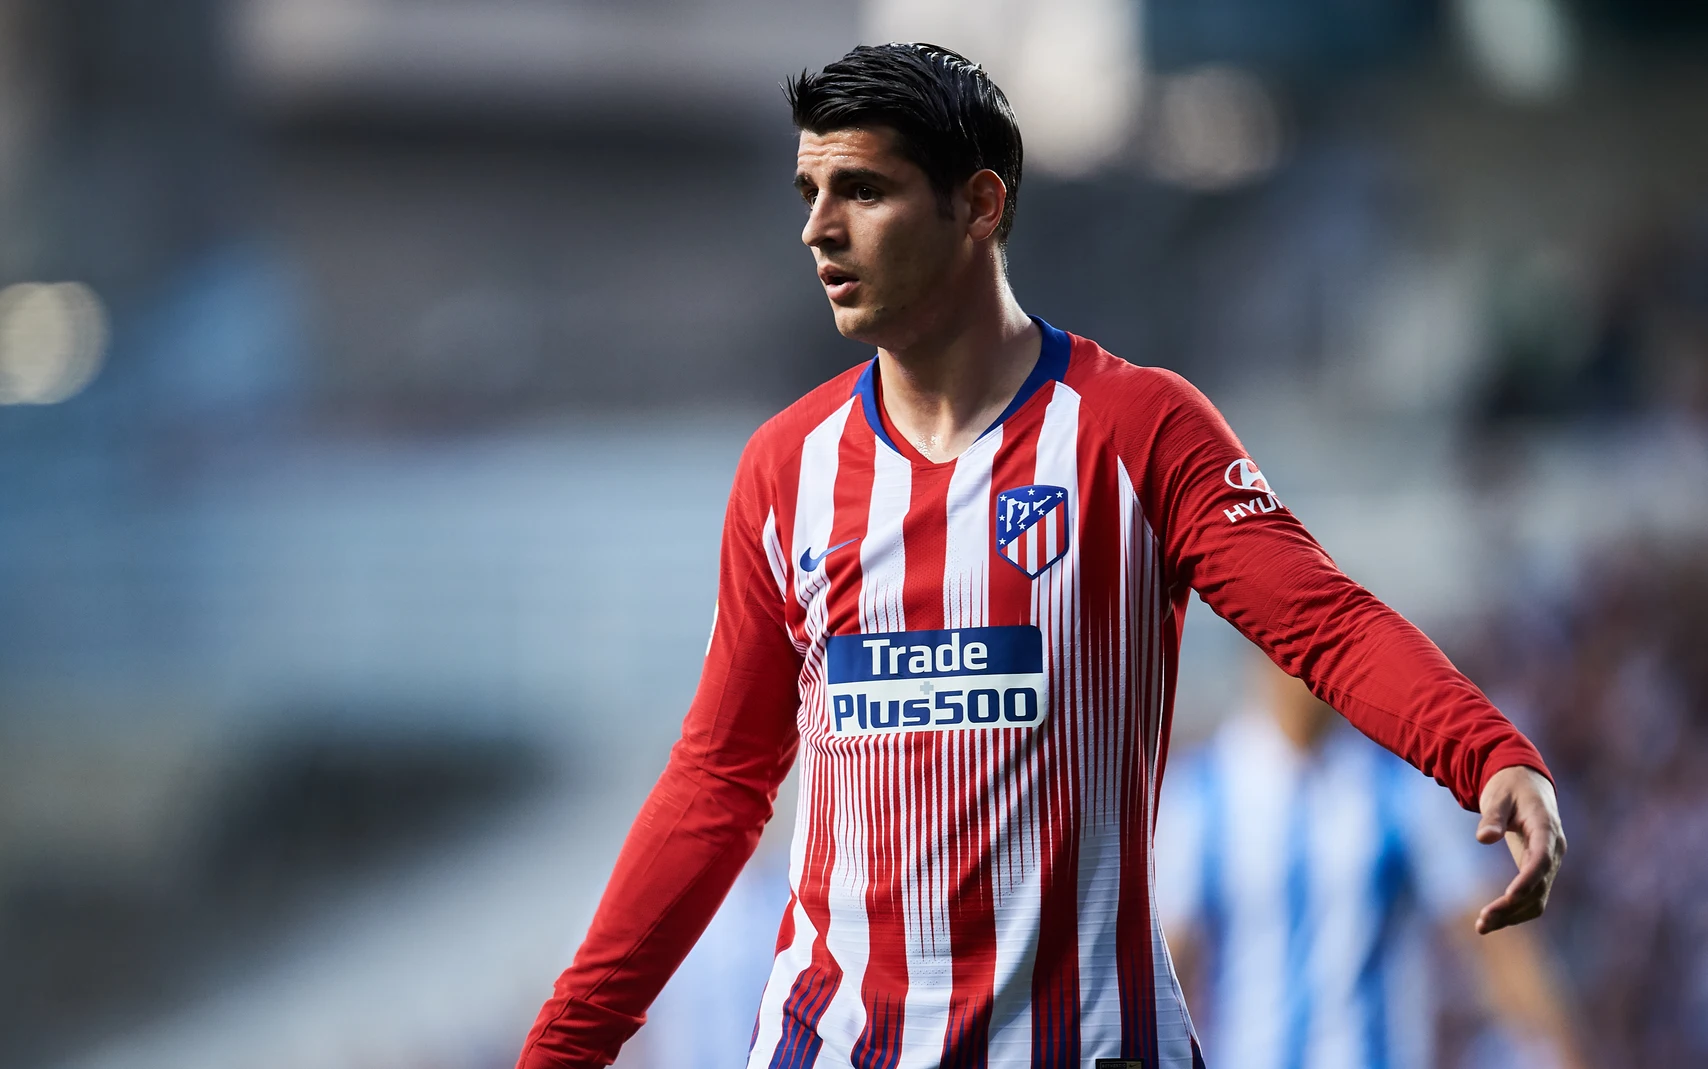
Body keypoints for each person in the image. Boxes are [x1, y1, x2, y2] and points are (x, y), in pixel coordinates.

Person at [516, 43, 1565, 1068]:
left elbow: (1321, 622)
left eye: (862, 191)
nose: (817, 229)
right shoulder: (786, 469)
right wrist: (568, 1041)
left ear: (976, 205)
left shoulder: (1133, 428)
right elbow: (717, 781)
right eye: (807, 190)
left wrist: (1482, 749)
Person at [1156, 658, 1585, 1069]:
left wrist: (1562, 1052)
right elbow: (1160, 973)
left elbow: (1495, 945)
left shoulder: (1399, 785)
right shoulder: (1199, 795)